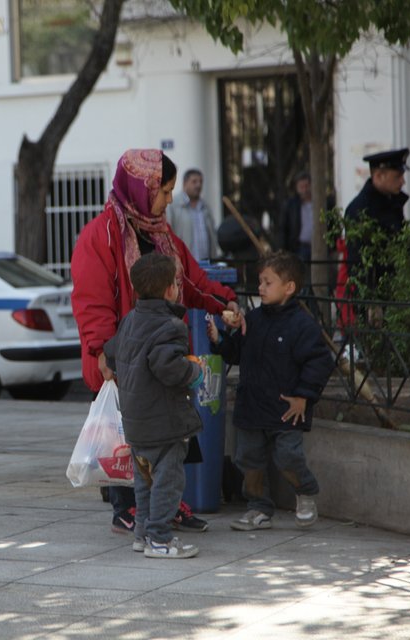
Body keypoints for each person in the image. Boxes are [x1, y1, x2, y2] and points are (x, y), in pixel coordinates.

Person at [71, 148, 244, 537]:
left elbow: (192, 282)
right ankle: (127, 510)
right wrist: (102, 352)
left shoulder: (161, 233)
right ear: (140, 186)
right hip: (122, 360)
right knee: (126, 440)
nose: (168, 200)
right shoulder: (100, 237)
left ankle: (165, 506)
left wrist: (225, 303)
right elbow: (92, 302)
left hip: (160, 357)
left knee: (165, 436)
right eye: (163, 191)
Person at [207, 251, 333, 530]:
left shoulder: (302, 325)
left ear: (289, 288)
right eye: (259, 282)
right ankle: (258, 508)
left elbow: (319, 361)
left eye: (267, 282)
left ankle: (305, 491)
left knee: (288, 456)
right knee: (247, 459)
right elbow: (237, 354)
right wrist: (220, 340)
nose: (260, 288)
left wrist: (303, 396)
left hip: (286, 409)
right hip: (251, 407)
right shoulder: (252, 319)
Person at [103, 253, 205, 559]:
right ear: (170, 290)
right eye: (175, 282)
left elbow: (110, 355)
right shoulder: (170, 326)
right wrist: (195, 371)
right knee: (168, 482)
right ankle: (160, 539)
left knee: (145, 483)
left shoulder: (129, 321)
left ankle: (142, 534)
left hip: (136, 422)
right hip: (165, 423)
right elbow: (169, 368)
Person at [342, 148, 409, 292]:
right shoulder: (360, 210)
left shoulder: (393, 202)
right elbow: (358, 261)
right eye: (398, 176)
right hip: (376, 295)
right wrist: (370, 300)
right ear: (379, 176)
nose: (403, 181)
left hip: (398, 290)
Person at [166, 168, 218, 262]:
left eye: (201, 182)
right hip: (184, 264)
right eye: (194, 182)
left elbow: (213, 237)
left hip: (206, 265)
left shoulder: (205, 207)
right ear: (185, 184)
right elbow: (168, 235)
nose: (198, 185)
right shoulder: (174, 205)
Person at [278, 171, 314, 262]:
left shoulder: (321, 203)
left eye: (307, 186)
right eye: (301, 187)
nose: (305, 190)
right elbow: (284, 228)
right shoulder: (291, 205)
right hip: (300, 247)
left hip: (318, 245)